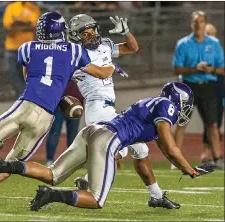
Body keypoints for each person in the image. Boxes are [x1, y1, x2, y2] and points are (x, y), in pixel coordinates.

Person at [0, 11, 126, 210]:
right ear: (63, 31)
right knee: (13, 164)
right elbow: (102, 72)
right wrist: (113, 67)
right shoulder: (74, 51)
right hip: (45, 116)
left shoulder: (27, 48)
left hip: (27, 105)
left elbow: (28, 77)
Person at [0, 82, 198, 210]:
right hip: (107, 138)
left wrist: (178, 167)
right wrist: (188, 168)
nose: (184, 109)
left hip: (92, 131)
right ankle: (51, 196)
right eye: (185, 104)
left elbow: (162, 149)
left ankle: (5, 165)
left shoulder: (150, 103)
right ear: (178, 100)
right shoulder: (167, 106)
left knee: (53, 174)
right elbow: (171, 147)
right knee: (96, 199)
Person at [68, 14, 176, 208]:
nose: (91, 35)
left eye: (92, 30)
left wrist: (126, 33)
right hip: (96, 107)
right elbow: (102, 72)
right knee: (121, 150)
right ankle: (86, 179)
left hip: (109, 108)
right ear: (76, 36)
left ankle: (156, 196)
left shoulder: (104, 45)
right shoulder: (76, 55)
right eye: (85, 33)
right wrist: (112, 66)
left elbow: (133, 48)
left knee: (139, 149)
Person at [172, 11, 224, 170]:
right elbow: (177, 68)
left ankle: (217, 159)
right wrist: (195, 68)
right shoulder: (183, 44)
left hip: (208, 86)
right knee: (182, 122)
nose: (197, 24)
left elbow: (222, 69)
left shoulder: (214, 43)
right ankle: (175, 159)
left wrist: (211, 69)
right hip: (189, 86)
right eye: (195, 22)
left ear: (205, 24)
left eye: (201, 21)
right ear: (191, 24)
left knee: (213, 124)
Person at [3, 2, 40, 99]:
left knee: (27, 77)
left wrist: (18, 23)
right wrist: (25, 24)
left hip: (28, 49)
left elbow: (34, 27)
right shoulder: (11, 7)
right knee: (13, 76)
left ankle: (24, 99)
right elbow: (8, 27)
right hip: (12, 48)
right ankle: (23, 97)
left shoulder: (34, 8)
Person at [200, 23, 224, 163]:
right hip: (207, 89)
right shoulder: (201, 51)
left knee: (216, 122)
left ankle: (214, 153)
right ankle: (207, 152)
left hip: (218, 89)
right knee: (210, 122)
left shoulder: (217, 50)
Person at [45, 80, 84, 166]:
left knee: (68, 134)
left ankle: (68, 160)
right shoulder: (80, 67)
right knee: (56, 132)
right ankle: (51, 159)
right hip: (63, 102)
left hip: (73, 102)